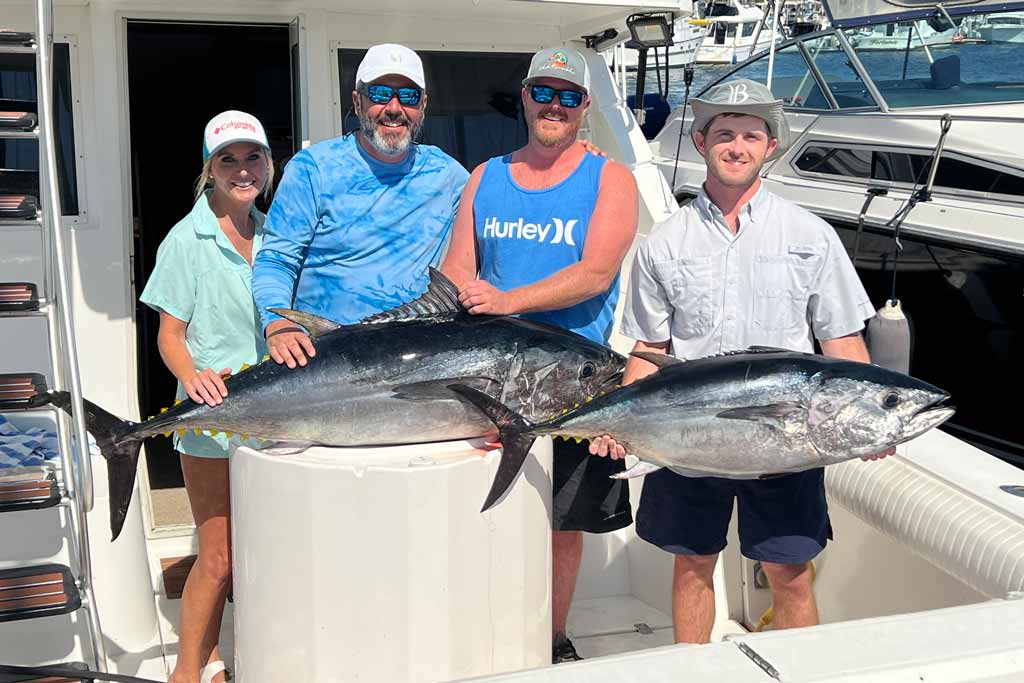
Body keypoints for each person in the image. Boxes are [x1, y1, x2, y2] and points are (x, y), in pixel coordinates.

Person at [589, 79, 893, 644]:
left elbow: (843, 343)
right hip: (689, 433)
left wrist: (872, 419)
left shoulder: (811, 235)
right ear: (701, 141)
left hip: (786, 437)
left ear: (769, 147)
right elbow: (650, 353)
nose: (737, 146)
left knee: (791, 573)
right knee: (692, 565)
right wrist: (617, 422)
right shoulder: (665, 243)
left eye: (751, 136)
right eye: (724, 133)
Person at [440, 46, 639, 664]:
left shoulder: (611, 177)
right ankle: (482, 632)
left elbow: (597, 272)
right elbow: (455, 270)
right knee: (480, 510)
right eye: (542, 93)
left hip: (575, 380)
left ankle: (549, 638)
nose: (554, 106)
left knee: (562, 522)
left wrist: (505, 301)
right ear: (524, 97)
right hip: (485, 378)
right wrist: (470, 295)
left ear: (584, 107)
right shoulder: (486, 175)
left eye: (568, 96)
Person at [139, 110, 274, 683]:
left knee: (263, 552)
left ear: (269, 165)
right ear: (209, 170)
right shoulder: (185, 239)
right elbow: (169, 335)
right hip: (211, 421)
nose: (242, 170)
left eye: (253, 157)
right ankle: (187, 671)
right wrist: (192, 378)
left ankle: (229, 656)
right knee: (218, 557)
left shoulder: (274, 233)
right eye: (228, 159)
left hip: (272, 419)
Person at [253, 43, 468, 360]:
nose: (394, 108)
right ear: (357, 101)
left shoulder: (447, 174)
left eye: (407, 96)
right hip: (324, 360)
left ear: (422, 106)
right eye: (380, 94)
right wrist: (279, 325)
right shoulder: (313, 168)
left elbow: (497, 233)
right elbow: (276, 260)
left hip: (414, 361)